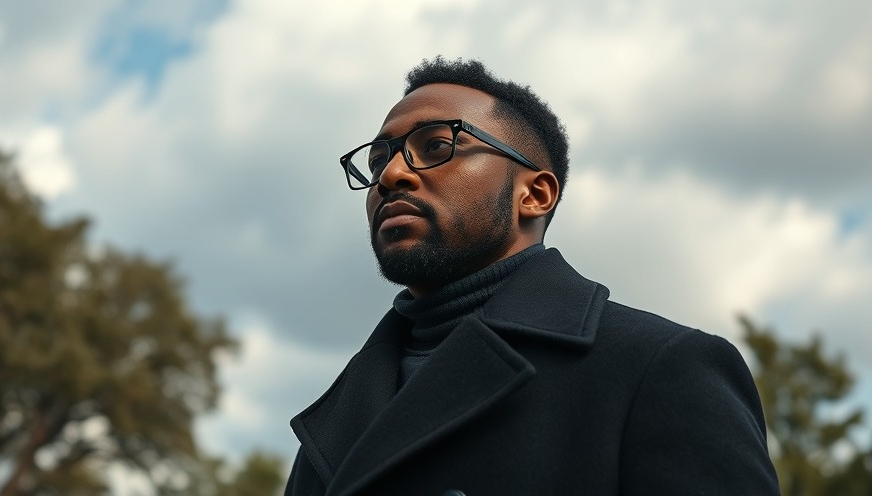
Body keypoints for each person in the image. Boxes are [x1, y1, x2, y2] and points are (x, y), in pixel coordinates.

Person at [285, 57, 779, 496]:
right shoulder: (332, 422)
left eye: (435, 145)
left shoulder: (660, 367)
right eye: (377, 161)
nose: (391, 174)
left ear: (535, 195)